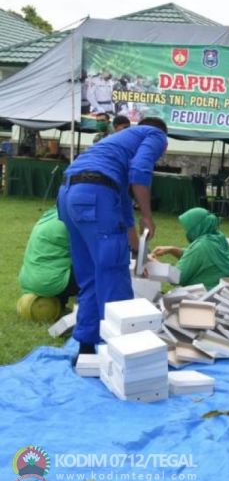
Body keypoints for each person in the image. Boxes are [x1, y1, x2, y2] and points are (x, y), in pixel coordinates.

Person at [57, 118, 168, 355]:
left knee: (90, 276)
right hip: (95, 194)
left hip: (68, 195)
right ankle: (121, 354)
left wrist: (138, 251)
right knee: (113, 272)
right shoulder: (155, 134)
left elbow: (124, 211)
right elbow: (140, 171)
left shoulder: (112, 149)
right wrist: (147, 215)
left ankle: (86, 349)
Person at [151, 208, 229, 290]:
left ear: (197, 227)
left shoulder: (202, 246)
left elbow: (177, 278)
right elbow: (194, 257)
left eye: (188, 228)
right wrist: (172, 249)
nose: (186, 232)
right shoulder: (218, 237)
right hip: (221, 291)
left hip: (204, 295)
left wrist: (154, 263)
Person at [18, 208, 77, 309]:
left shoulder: (50, 215)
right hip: (49, 282)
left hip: (28, 280)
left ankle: (60, 301)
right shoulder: (71, 220)